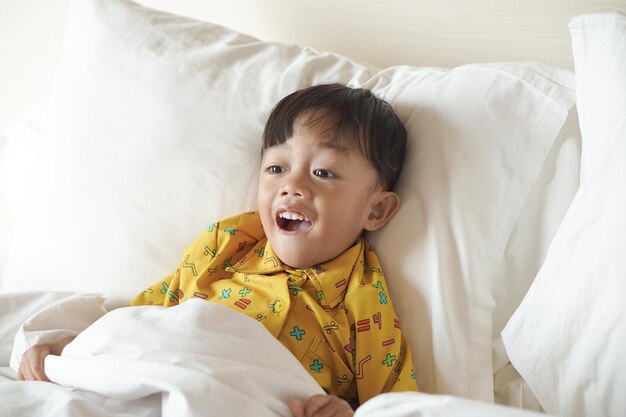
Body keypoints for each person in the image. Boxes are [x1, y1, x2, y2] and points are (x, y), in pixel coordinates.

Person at [18, 83, 418, 417]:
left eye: (324, 172)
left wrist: (343, 412)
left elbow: (394, 402)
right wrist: (76, 346)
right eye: (277, 168)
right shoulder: (228, 243)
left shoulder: (363, 295)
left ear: (376, 209)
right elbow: (148, 320)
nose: (292, 185)